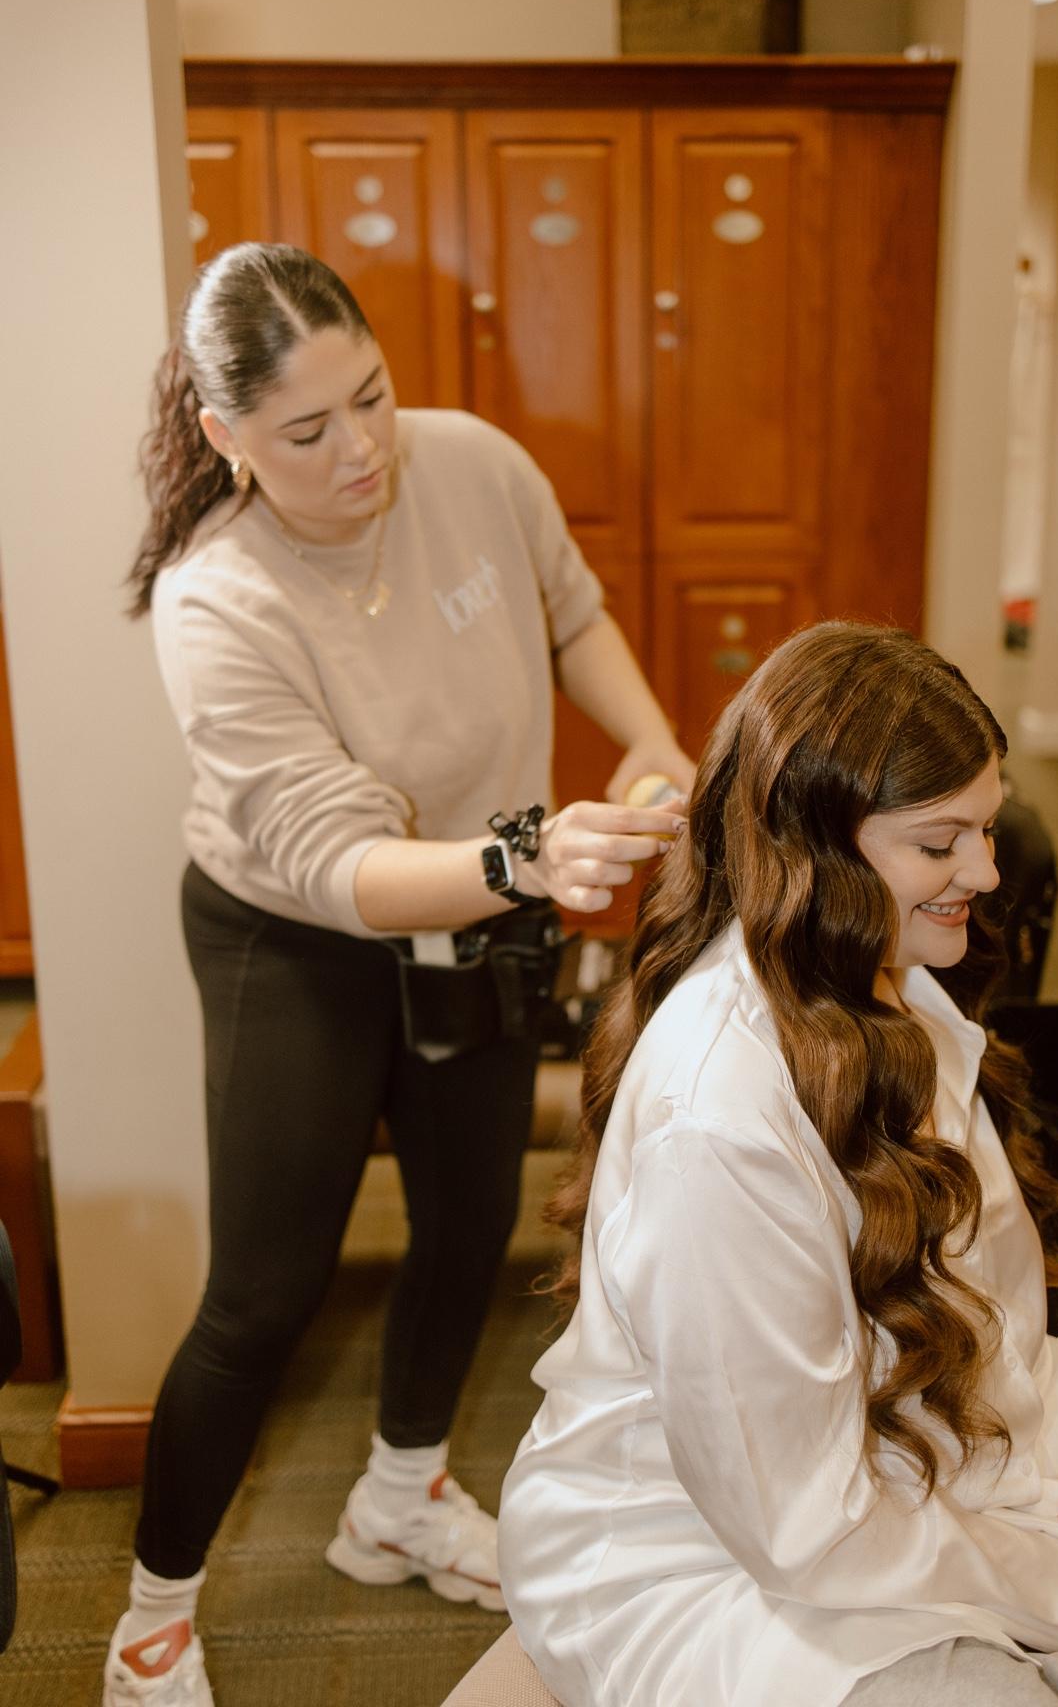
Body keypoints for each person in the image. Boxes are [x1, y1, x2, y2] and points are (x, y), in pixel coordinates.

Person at [103, 242, 693, 1707]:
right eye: (307, 430)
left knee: (470, 1221)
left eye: (370, 396)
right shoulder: (215, 599)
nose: (362, 449)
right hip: (296, 939)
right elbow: (338, 868)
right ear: (225, 435)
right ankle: (152, 1616)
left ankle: (400, 1496)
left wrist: (650, 736)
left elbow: (572, 612)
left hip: (490, 901)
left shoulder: (473, 463)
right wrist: (530, 858)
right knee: (264, 1290)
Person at [498, 622, 1058, 1707]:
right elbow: (801, 1524)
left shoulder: (882, 976)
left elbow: (992, 1333)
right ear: (816, 850)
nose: (988, 871)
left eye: (987, 826)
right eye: (941, 843)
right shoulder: (719, 1118)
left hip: (933, 1438)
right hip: (714, 1555)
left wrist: (1047, 1527)